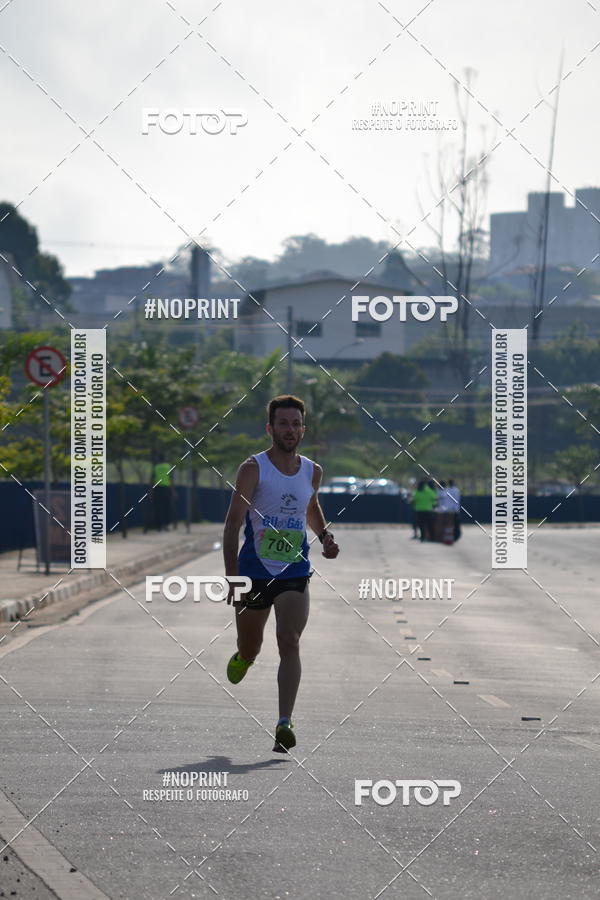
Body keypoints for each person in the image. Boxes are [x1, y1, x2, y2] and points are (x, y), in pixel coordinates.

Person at [222, 395, 339, 753]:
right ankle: (244, 655)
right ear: (270, 428)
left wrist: (324, 536)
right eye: (283, 424)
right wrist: (233, 576)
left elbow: (311, 506)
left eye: (296, 424)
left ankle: (284, 722)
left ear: (303, 429)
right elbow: (232, 525)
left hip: (294, 570)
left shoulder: (312, 471)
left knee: (289, 640)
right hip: (255, 572)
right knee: (252, 644)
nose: (290, 430)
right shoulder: (252, 469)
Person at [152, 454, 173, 531]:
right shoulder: (168, 466)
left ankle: (158, 526)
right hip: (166, 488)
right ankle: (167, 524)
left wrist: (151, 491)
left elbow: (152, 479)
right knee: (167, 507)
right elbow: (170, 478)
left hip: (157, 489)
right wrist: (172, 491)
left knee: (158, 507)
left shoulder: (156, 467)